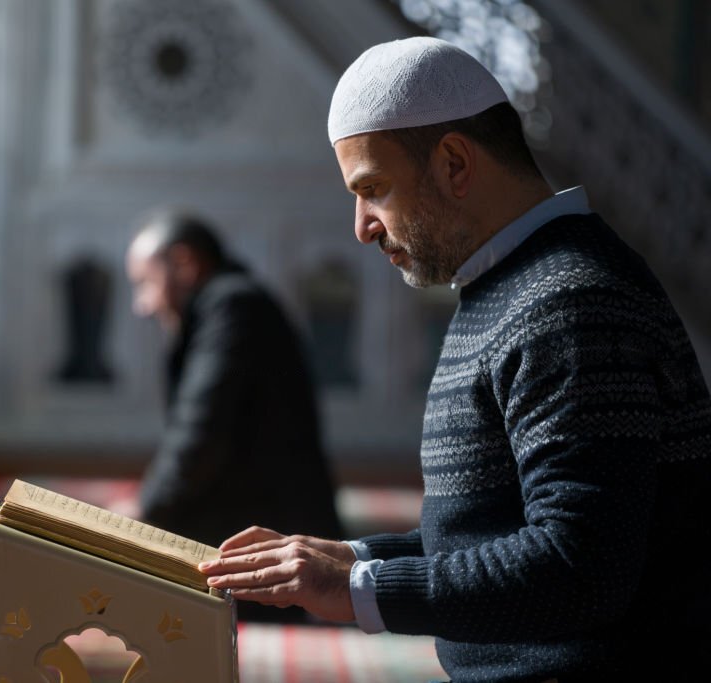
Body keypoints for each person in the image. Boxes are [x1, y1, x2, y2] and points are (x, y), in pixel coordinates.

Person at [198, 36, 711, 680]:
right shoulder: (515, 287)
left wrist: (361, 589)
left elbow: (582, 566)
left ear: (454, 164)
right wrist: (350, 557)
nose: (362, 225)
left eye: (373, 189)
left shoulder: (571, 302)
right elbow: (495, 536)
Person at [125, 207, 344, 623]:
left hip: (268, 543)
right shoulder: (230, 303)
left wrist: (141, 519)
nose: (143, 304)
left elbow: (198, 434)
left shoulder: (233, 307)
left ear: (184, 263)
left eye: (146, 284)